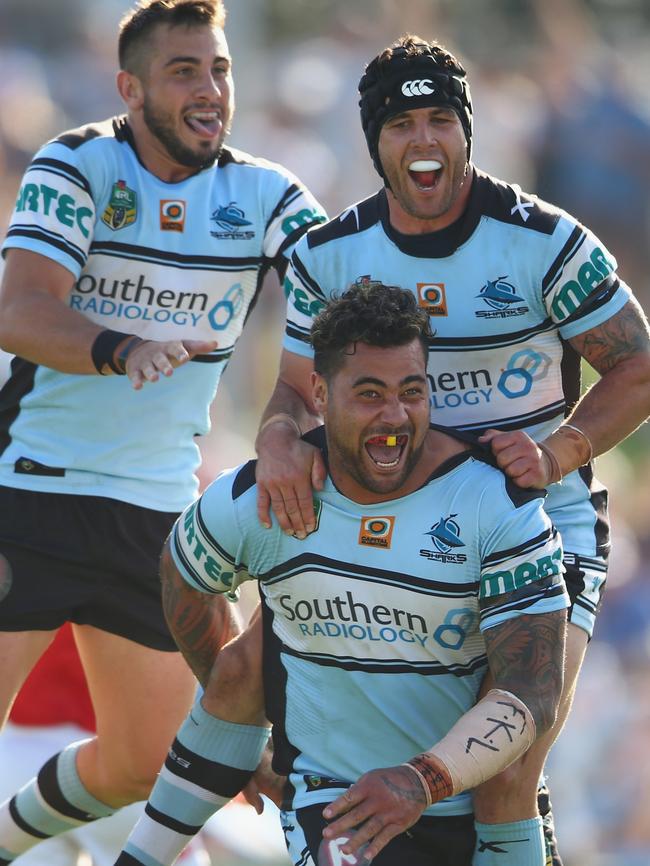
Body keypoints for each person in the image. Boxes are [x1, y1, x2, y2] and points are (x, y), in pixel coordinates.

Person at [252, 35, 650, 866]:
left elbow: (638, 366)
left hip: (539, 526)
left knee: (508, 766)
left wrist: (558, 450)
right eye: (402, 124)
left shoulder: (546, 241)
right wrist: (279, 438)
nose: (424, 140)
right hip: (390, 536)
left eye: (441, 119)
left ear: (467, 131)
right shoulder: (328, 254)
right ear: (374, 142)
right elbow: (294, 390)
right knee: (344, 751)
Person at [0, 1, 325, 862]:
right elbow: (20, 309)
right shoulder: (76, 163)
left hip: (152, 511)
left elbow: (343, 287)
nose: (211, 89)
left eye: (219, 69)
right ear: (130, 88)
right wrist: (121, 347)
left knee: (148, 760)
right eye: (184, 71)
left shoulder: (264, 192)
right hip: (28, 487)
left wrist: (295, 415)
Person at [113, 282, 568, 866]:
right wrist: (244, 730)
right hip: (337, 808)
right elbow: (182, 575)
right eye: (370, 394)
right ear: (321, 395)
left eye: (411, 391)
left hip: (458, 797)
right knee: (242, 666)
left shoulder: (495, 506)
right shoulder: (264, 498)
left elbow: (532, 692)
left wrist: (418, 781)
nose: (395, 416)